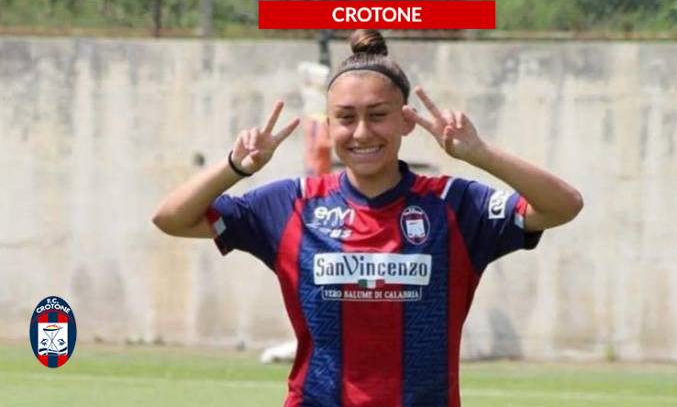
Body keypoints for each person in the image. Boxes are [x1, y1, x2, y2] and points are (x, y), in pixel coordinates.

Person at [152, 29, 583, 407]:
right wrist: (234, 167)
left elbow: (563, 206)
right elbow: (171, 218)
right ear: (329, 125)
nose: (361, 132)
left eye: (377, 115)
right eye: (346, 118)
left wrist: (481, 154)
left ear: (406, 121)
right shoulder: (290, 204)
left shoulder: (455, 204)